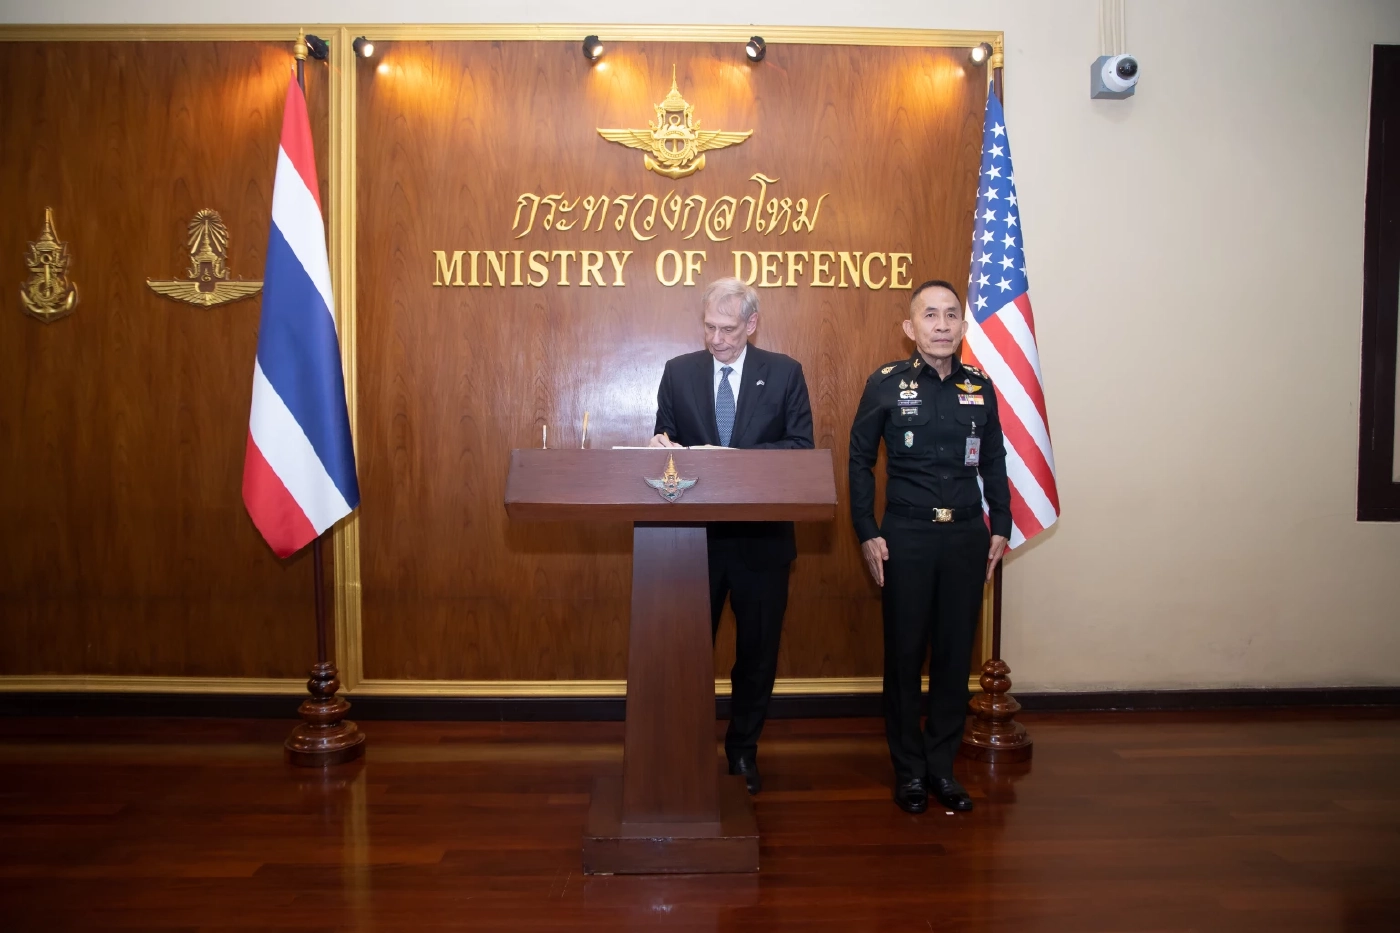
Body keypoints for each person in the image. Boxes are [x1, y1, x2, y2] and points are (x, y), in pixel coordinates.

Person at [847, 279, 1011, 814]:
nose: (942, 325)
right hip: (907, 537)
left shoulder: (979, 387)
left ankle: (942, 769)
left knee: (952, 656)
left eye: (950, 316)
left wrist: (1000, 527)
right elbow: (858, 461)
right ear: (909, 327)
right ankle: (910, 771)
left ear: (963, 327)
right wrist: (867, 530)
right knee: (904, 656)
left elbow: (993, 463)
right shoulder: (887, 384)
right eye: (930, 315)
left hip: (965, 536)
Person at [650, 276, 814, 794]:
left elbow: (799, 449)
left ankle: (743, 752)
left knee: (757, 655)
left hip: (762, 542)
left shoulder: (785, 373)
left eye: (727, 328)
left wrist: (733, 464)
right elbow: (666, 440)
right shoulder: (679, 373)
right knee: (687, 652)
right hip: (691, 541)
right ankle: (685, 750)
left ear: (751, 324)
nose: (716, 338)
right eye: (709, 326)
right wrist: (660, 446)